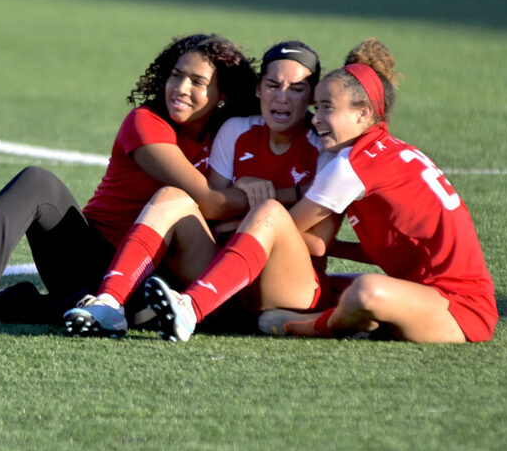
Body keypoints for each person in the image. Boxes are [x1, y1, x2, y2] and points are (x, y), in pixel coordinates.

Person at [0, 33, 259, 330]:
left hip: (157, 277)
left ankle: (28, 303)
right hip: (88, 257)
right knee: (38, 183)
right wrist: (263, 196)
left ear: (222, 94)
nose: (180, 87)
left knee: (144, 310)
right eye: (176, 75)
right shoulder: (145, 123)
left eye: (197, 81)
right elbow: (208, 202)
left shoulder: (232, 137)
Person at [143, 38, 498, 344]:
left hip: (459, 309)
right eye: (317, 107)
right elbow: (393, 244)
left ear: (362, 114)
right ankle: (356, 321)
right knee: (337, 288)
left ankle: (291, 323)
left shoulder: (349, 165)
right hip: (423, 288)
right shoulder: (385, 150)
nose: (315, 118)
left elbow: (283, 229)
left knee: (364, 291)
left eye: (326, 108)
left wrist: (223, 227)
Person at [62, 40, 326, 337]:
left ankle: (190, 308)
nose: (282, 97)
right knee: (172, 196)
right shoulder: (234, 132)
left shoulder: (325, 148)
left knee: (270, 213)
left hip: (283, 286)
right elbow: (209, 209)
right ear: (258, 88)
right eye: (272, 85)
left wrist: (260, 214)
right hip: (223, 281)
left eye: (297, 89)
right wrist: (253, 206)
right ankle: (109, 303)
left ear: (313, 96)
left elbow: (318, 244)